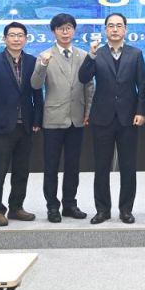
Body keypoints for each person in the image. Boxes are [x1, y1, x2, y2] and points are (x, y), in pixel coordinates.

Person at [77, 12, 145, 224]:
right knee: (101, 167)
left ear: (125, 29)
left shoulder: (135, 54)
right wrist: (90, 55)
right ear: (105, 29)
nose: (115, 29)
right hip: (102, 118)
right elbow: (83, 77)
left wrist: (141, 111)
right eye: (111, 26)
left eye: (119, 25)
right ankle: (102, 210)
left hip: (128, 118)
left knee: (128, 167)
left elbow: (142, 86)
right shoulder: (97, 53)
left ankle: (126, 210)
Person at [31, 13, 95, 223]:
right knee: (51, 167)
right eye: (60, 28)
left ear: (74, 30)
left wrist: (87, 112)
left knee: (73, 165)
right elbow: (35, 85)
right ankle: (52, 207)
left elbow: (89, 86)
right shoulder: (45, 55)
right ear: (54, 32)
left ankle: (70, 204)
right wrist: (42, 65)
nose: (65, 32)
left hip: (77, 118)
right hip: (53, 118)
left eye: (68, 28)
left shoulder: (83, 55)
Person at [0, 22, 43, 226]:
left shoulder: (32, 61)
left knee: (22, 171)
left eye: (20, 35)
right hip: (1, 126)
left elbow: (37, 92)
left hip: (25, 125)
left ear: (26, 39)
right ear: (5, 39)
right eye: (12, 35)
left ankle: (16, 207)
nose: (16, 39)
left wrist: (37, 119)